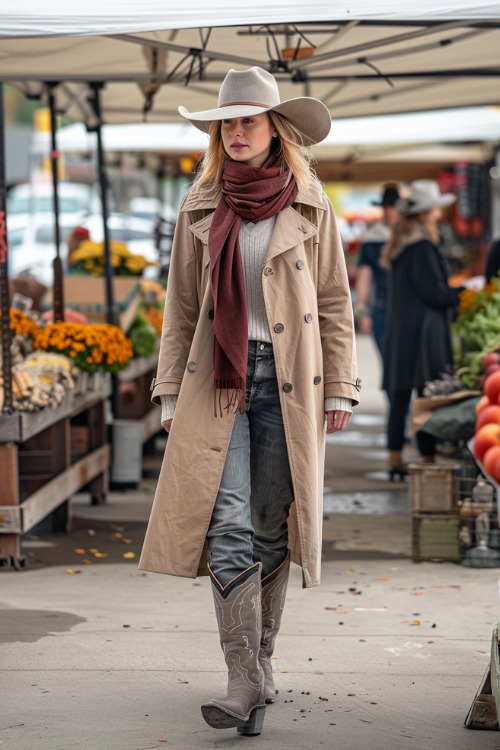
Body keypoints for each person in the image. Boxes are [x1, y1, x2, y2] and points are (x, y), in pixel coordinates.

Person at [138, 66, 360, 737]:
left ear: (274, 129)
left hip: (289, 383)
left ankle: (260, 665)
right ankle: (239, 682)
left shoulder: (311, 205)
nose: (235, 133)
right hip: (219, 381)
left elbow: (333, 305)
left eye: (247, 121)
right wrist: (169, 387)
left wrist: (343, 385)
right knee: (227, 524)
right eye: (226, 123)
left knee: (268, 526)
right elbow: (179, 308)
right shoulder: (200, 206)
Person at [381, 179, 461, 480]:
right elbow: (435, 293)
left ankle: (394, 458)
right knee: (427, 395)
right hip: (424, 333)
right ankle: (427, 459)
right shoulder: (423, 247)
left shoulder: (402, 246)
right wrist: (463, 291)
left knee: (401, 395)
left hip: (403, 329)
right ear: (428, 213)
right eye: (437, 210)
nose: (439, 215)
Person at [354, 183, 400, 357]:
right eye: (386, 207)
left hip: (408, 306)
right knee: (388, 358)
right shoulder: (372, 238)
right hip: (382, 307)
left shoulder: (411, 235)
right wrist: (361, 309)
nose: (390, 211)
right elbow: (364, 274)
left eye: (393, 207)